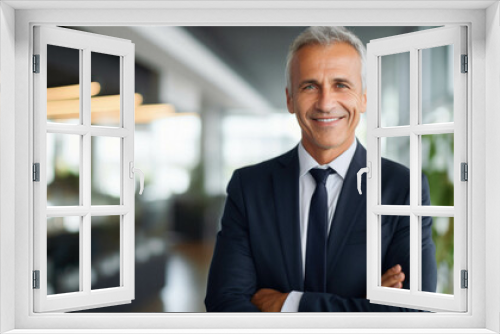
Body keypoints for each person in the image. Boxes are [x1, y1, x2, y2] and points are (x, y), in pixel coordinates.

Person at [205, 26, 436, 312]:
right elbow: (224, 302)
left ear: (363, 98)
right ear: (290, 99)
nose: (326, 103)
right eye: (310, 86)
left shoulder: (402, 188)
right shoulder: (249, 186)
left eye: (341, 85)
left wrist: (291, 303)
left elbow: (415, 310)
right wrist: (366, 306)